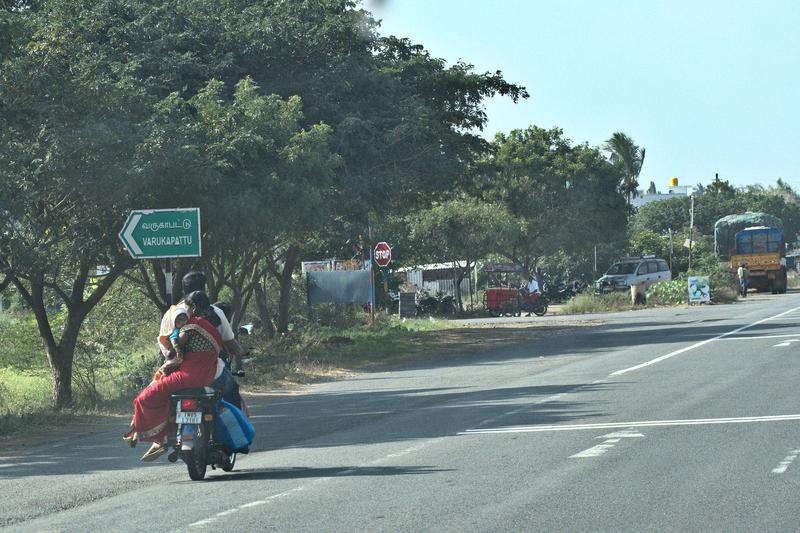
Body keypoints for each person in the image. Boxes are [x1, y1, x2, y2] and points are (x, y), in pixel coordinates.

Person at [125, 291, 222, 461]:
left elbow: (174, 353)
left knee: (144, 397)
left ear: (191, 308)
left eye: (184, 316)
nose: (182, 321)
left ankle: (153, 436)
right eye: (179, 320)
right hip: (210, 375)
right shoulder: (210, 325)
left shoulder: (188, 328)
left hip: (187, 376)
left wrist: (173, 350)